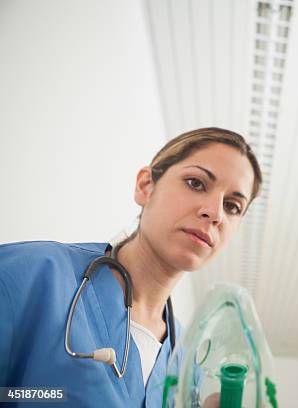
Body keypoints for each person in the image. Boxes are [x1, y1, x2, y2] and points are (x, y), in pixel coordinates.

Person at [0, 127, 263, 407]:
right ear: (145, 186)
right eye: (196, 183)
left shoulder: (187, 361)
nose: (215, 212)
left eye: (233, 206)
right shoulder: (29, 275)